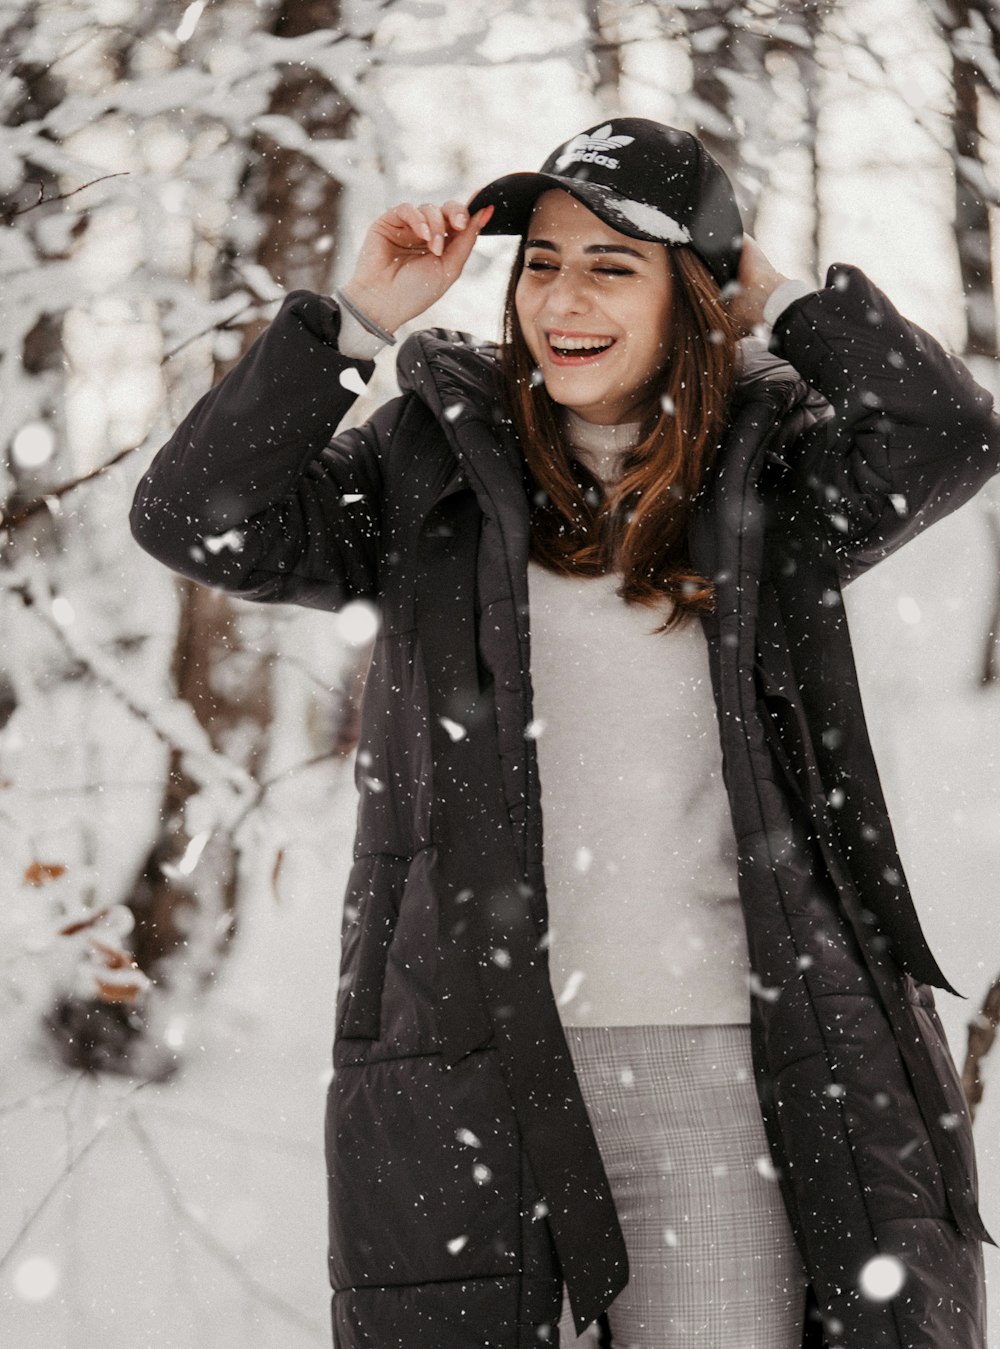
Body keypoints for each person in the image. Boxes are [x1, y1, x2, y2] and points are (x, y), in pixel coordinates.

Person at [130, 118, 999, 1349]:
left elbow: (948, 432)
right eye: (541, 261)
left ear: (691, 295)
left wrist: (785, 300)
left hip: (721, 1074)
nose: (563, 297)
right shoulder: (423, 466)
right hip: (475, 1072)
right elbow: (193, 516)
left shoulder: (773, 476)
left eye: (612, 264)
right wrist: (355, 324)